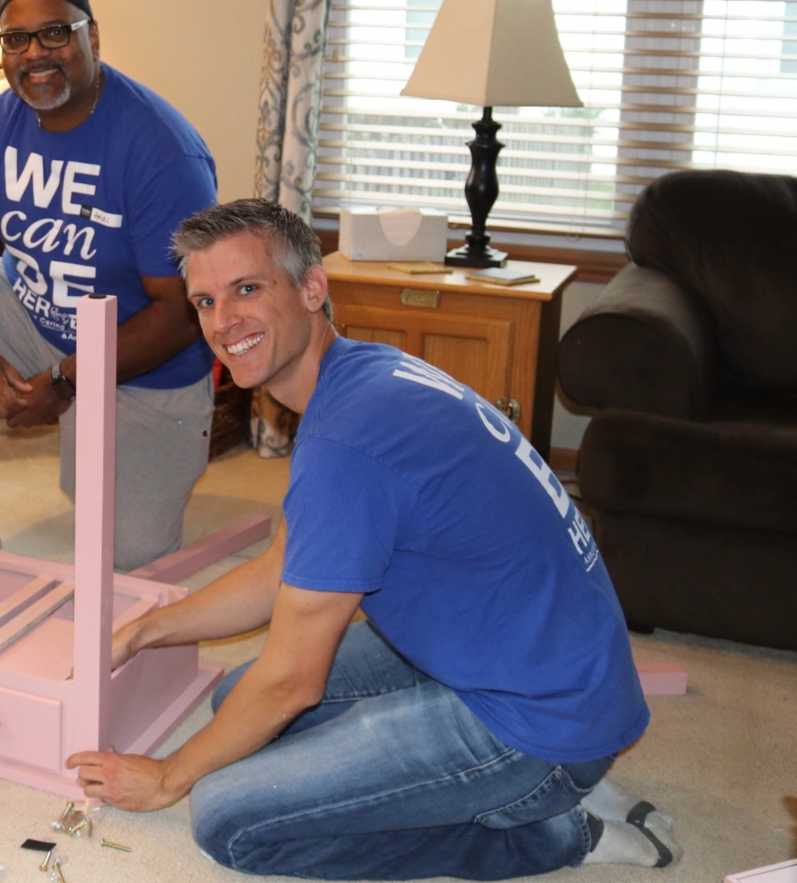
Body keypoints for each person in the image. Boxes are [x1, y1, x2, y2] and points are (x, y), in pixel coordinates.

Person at [66, 199, 683, 879]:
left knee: (227, 817)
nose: (223, 322)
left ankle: (557, 826)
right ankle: (551, 779)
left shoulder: (346, 443)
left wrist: (165, 779)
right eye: (205, 301)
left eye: (247, 289)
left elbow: (292, 682)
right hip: (549, 671)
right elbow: (281, 569)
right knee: (233, 698)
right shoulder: (363, 374)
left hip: (535, 726)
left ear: (310, 289)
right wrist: (143, 632)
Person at [0, 0, 218, 571]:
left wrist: (66, 381)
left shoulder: (161, 148)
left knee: (128, 560)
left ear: (93, 39)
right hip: (31, 306)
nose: (36, 54)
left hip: (142, 357)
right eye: (16, 39)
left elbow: (184, 312)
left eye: (56, 33)